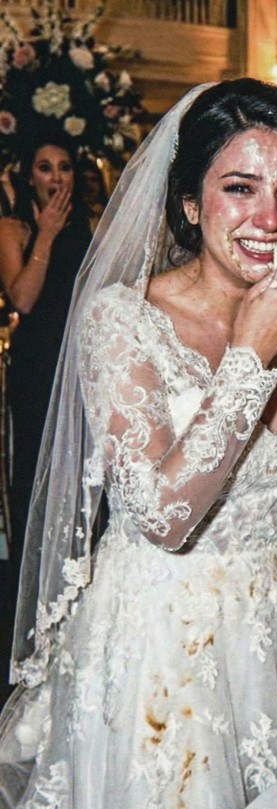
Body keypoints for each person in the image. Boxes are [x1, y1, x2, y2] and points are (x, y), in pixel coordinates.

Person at [0, 79, 277, 809]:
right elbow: (162, 516)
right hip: (163, 635)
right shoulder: (122, 320)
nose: (269, 219)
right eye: (239, 188)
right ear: (190, 204)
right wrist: (249, 358)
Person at [0, 134, 92, 611]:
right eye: (45, 167)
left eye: (64, 167)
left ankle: (80, 583)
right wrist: (47, 235)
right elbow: (23, 299)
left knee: (82, 472)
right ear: (29, 176)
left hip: (83, 362)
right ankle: (33, 592)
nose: (56, 177)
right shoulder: (12, 228)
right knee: (37, 469)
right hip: (37, 366)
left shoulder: (91, 226)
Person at [77, 156, 109, 233]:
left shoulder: (108, 213)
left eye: (94, 180)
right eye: (84, 180)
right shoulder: (74, 217)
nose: (89, 184)